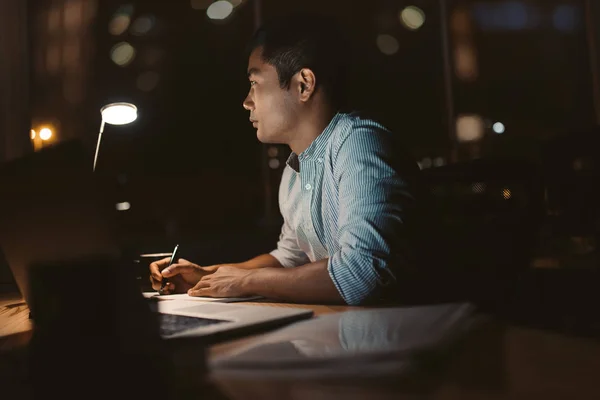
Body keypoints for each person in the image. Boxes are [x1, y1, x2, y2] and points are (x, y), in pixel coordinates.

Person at [150, 14, 422, 306]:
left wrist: (245, 281)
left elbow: (362, 273)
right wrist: (206, 275)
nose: (247, 101)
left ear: (303, 85)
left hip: (408, 334)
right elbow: (290, 260)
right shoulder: (295, 169)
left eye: (254, 83)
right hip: (349, 330)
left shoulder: (359, 144)